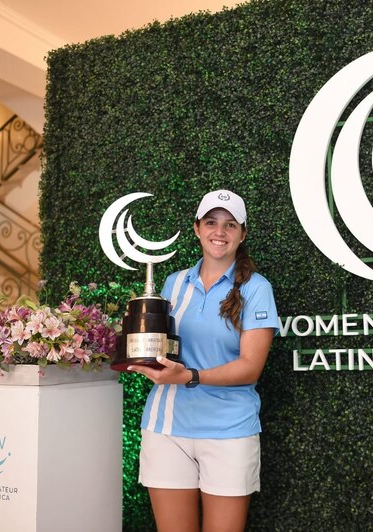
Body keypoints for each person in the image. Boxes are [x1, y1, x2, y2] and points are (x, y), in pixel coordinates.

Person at [128, 189, 279, 532]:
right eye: (211, 222)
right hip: (166, 428)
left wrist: (190, 376)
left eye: (230, 224)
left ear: (243, 233)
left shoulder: (256, 289)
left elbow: (250, 367)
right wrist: (143, 359)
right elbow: (161, 346)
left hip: (228, 431)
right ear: (197, 228)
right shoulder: (173, 283)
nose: (219, 232)